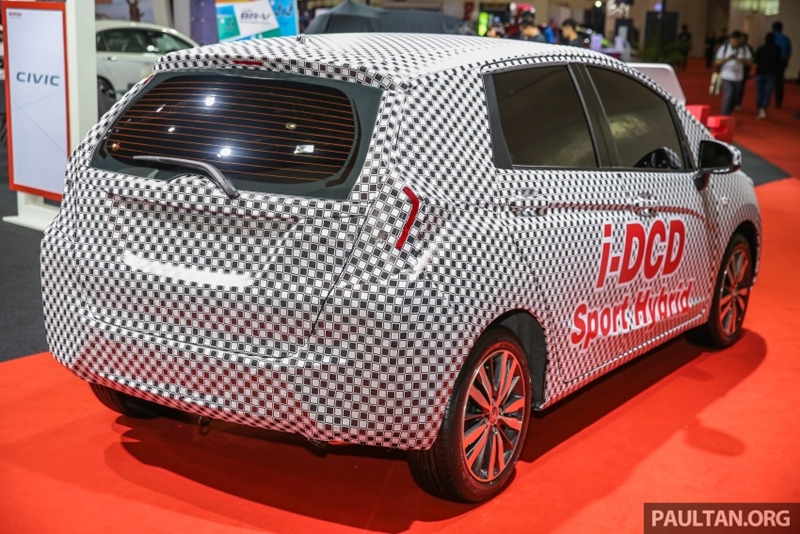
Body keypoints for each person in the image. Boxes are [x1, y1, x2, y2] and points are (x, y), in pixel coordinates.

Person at [715, 30, 753, 116]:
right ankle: (724, 115)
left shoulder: (744, 49)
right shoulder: (724, 48)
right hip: (726, 76)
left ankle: (729, 111)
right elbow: (717, 63)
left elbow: (750, 63)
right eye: (733, 40)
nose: (735, 42)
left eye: (737, 40)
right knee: (728, 95)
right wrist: (727, 59)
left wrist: (742, 61)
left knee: (735, 97)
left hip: (738, 77)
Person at [753, 32, 783, 119]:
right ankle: (763, 108)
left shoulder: (760, 49)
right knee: (767, 92)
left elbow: (755, 60)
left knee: (760, 91)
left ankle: (760, 107)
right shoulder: (777, 49)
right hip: (771, 73)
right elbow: (779, 61)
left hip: (760, 72)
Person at [771, 21, 793, 108]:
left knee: (769, 79)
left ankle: (767, 99)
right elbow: (788, 51)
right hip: (781, 61)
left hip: (772, 61)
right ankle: (778, 101)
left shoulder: (771, 37)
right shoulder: (786, 39)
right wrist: (786, 61)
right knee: (779, 81)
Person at [735, 33, 755, 109]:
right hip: (734, 70)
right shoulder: (734, 47)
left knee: (740, 88)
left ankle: (738, 103)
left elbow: (751, 60)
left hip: (744, 71)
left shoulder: (748, 48)